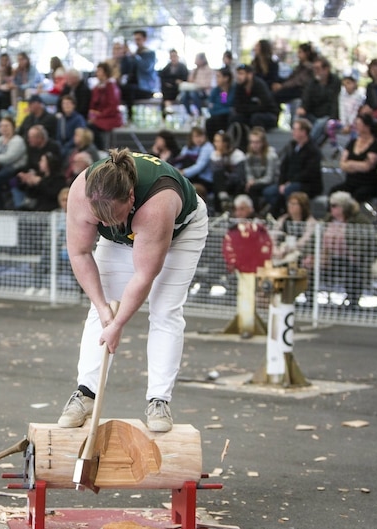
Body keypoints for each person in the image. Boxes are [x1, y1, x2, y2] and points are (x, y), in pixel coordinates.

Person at [58, 148, 208, 433]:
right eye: (99, 220)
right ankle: (85, 393)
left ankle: (159, 400)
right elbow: (79, 253)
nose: (104, 225)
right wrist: (104, 310)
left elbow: (144, 275)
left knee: (165, 310)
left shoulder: (157, 203)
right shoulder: (81, 192)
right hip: (124, 235)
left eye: (111, 218)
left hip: (179, 230)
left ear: (130, 198)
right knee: (100, 310)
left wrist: (119, 324)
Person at [319, 190, 373, 308]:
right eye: (331, 206)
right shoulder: (328, 219)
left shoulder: (359, 220)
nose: (331, 209)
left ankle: (352, 302)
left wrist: (353, 252)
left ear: (344, 207)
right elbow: (316, 236)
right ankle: (310, 300)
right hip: (330, 257)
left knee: (353, 270)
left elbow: (365, 241)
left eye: (334, 206)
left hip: (352, 258)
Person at [261, 118, 322, 216]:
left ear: (303, 132)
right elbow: (284, 167)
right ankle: (280, 213)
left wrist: (290, 183)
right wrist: (282, 183)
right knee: (268, 192)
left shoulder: (313, 150)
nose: (293, 132)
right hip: (288, 182)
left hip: (307, 184)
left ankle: (286, 215)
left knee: (289, 190)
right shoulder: (291, 147)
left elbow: (309, 172)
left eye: (295, 129)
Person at [328, 113, 377, 205]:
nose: (355, 127)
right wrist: (359, 164)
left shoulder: (375, 145)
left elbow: (367, 166)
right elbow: (342, 165)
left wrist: (350, 163)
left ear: (366, 126)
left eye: (358, 124)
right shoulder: (352, 142)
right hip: (351, 182)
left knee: (358, 195)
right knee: (333, 192)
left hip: (367, 183)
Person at [297, 56, 340, 144]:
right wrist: (303, 107)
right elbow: (306, 97)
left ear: (326, 69)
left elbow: (334, 102)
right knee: (299, 116)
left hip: (326, 115)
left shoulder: (335, 82)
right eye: (314, 69)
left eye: (318, 69)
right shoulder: (312, 83)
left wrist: (332, 118)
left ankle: (307, 144)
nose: (316, 72)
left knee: (321, 123)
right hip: (313, 114)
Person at [121, 30, 159, 124]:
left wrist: (134, 56)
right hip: (132, 86)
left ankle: (130, 118)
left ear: (144, 39)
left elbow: (146, 67)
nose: (136, 42)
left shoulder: (150, 54)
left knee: (130, 90)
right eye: (135, 39)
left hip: (144, 88)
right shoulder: (134, 55)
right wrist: (125, 56)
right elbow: (125, 70)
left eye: (139, 39)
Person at [271, 191, 316, 266]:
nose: (290, 206)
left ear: (302, 206)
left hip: (300, 253)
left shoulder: (310, 221)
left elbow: (304, 241)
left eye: (294, 204)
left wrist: (288, 250)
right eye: (289, 203)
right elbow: (274, 235)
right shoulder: (283, 219)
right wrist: (275, 249)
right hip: (282, 250)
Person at [230, 64, 279, 131]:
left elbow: (264, 105)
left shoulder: (259, 85)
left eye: (241, 74)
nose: (238, 77)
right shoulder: (221, 91)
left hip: (265, 114)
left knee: (255, 118)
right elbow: (234, 105)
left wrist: (246, 107)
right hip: (225, 111)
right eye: (238, 74)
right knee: (232, 117)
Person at [172, 126, 214, 204]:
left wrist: (183, 172)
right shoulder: (188, 148)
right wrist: (175, 171)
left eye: (201, 136)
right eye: (196, 136)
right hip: (190, 177)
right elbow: (180, 160)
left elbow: (199, 166)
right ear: (191, 137)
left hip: (204, 179)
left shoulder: (208, 148)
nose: (199, 139)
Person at [87, 61, 123, 150]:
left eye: (99, 70)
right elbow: (92, 105)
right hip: (99, 116)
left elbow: (112, 107)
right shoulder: (96, 88)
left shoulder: (111, 87)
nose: (97, 73)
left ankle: (101, 150)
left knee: (93, 126)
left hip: (109, 117)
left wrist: (98, 116)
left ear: (105, 72)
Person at [209, 130, 246, 214]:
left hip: (235, 183)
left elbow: (239, 176)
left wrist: (227, 177)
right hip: (221, 185)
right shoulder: (215, 155)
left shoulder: (238, 155)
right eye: (215, 141)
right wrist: (219, 159)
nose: (215, 144)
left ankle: (229, 206)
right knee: (217, 178)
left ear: (225, 143)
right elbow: (214, 173)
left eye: (218, 141)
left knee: (237, 183)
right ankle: (221, 206)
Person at [244, 126, 279, 208]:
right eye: (252, 142)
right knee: (242, 186)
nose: (254, 145)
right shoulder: (248, 156)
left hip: (271, 182)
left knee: (253, 188)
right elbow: (248, 173)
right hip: (257, 182)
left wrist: (254, 182)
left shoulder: (271, 156)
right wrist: (250, 180)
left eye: (257, 142)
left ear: (263, 142)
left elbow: (269, 178)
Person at [179, 53, 214, 119]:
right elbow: (189, 81)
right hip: (193, 90)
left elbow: (208, 84)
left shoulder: (222, 93)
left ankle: (200, 114)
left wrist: (198, 85)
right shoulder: (195, 70)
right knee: (184, 94)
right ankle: (190, 114)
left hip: (203, 92)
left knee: (193, 94)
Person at [204, 67, 235, 140]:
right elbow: (211, 107)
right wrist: (225, 109)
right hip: (216, 117)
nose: (216, 79)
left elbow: (230, 106)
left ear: (226, 78)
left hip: (228, 118)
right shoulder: (216, 91)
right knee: (210, 122)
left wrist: (218, 107)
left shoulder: (234, 90)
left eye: (218, 76)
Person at [56, 95, 87, 159]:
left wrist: (67, 146)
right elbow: (58, 135)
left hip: (73, 146)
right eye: (64, 103)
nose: (66, 106)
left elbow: (80, 136)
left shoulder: (79, 119)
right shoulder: (61, 119)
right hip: (62, 145)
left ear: (73, 105)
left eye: (68, 103)